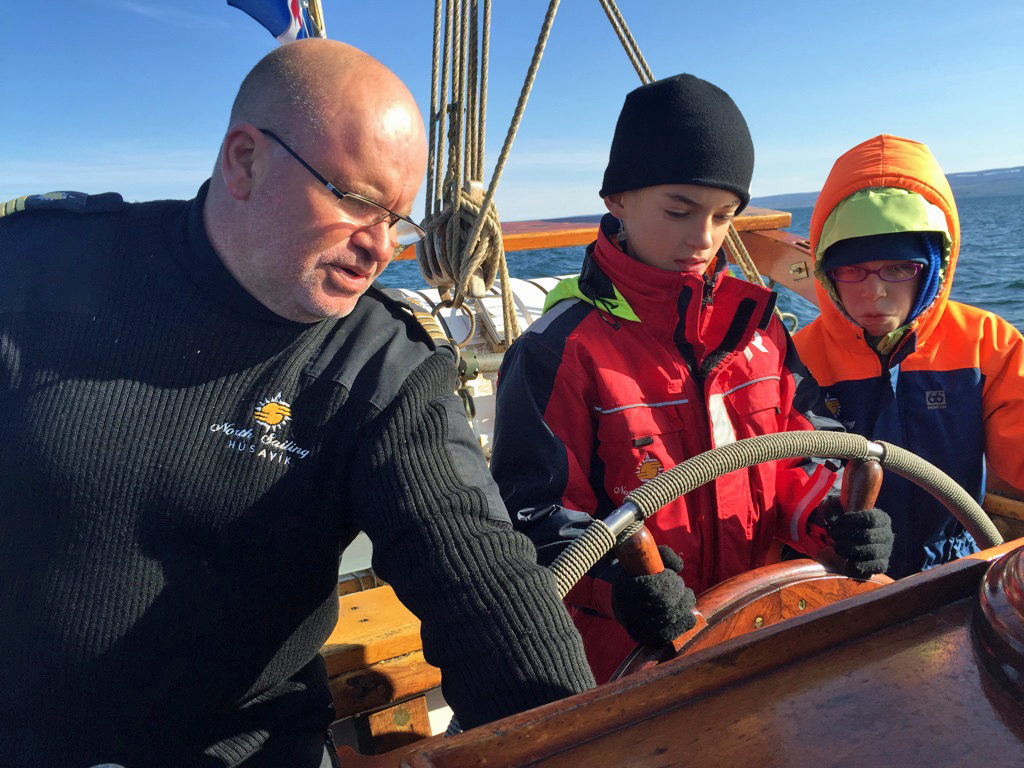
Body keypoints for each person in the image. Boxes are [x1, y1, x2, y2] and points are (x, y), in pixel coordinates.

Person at [0, 39, 594, 768]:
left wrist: (578, 748)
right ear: (244, 161)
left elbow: (483, 581)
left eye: (397, 219)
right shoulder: (32, 275)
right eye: (355, 199)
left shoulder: (380, 365)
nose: (380, 248)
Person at [489, 74, 894, 684]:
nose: (702, 239)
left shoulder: (761, 332)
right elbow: (528, 512)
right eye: (679, 210)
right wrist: (620, 585)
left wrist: (835, 519)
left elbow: (806, 453)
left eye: (724, 216)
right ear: (618, 199)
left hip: (759, 630)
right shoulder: (558, 352)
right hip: (625, 662)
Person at [794, 133, 1024, 578]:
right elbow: (786, 479)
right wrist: (829, 530)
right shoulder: (797, 359)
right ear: (826, 272)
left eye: (898, 268)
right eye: (851, 270)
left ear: (933, 268)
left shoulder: (987, 342)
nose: (874, 292)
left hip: (956, 571)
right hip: (836, 578)